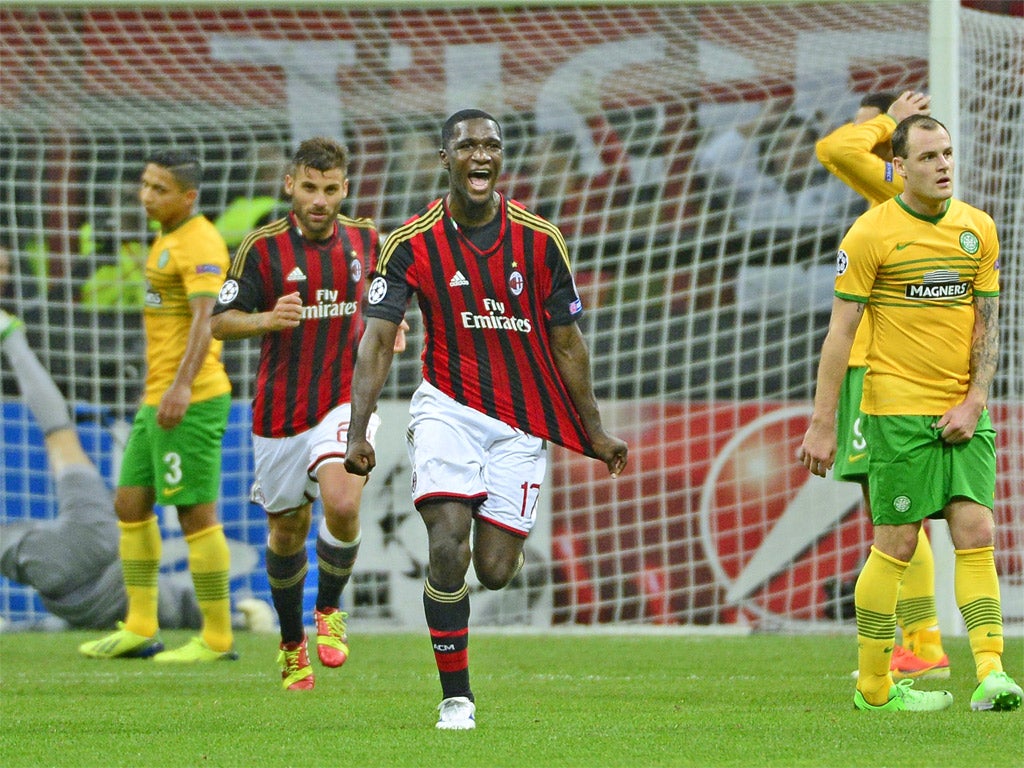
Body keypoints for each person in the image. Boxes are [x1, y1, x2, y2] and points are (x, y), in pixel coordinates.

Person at [343, 109, 628, 729]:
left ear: (501, 159)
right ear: (445, 159)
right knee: (448, 544)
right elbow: (376, 338)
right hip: (447, 408)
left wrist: (594, 429)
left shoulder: (540, 239)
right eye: (467, 145)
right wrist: (359, 428)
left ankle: (500, 548)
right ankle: (456, 697)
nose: (481, 155)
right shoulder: (409, 242)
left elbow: (568, 344)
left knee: (493, 573)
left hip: (522, 421)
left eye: (491, 146)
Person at [799, 114, 1022, 713]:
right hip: (895, 411)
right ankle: (875, 688)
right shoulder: (870, 234)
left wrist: (975, 400)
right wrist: (823, 423)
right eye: (928, 157)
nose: (943, 165)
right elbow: (839, 334)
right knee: (896, 541)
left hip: (963, 410)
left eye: (947, 153)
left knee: (977, 530)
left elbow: (988, 325)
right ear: (898, 169)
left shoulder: (979, 230)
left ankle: (991, 673)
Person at [210, 136, 407, 691]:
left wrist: (390, 328)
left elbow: (385, 302)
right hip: (279, 412)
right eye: (310, 187)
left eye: (331, 189)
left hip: (345, 399)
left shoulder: (369, 239)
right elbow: (219, 321)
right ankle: (292, 642)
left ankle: (329, 611)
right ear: (290, 185)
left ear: (345, 188)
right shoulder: (262, 248)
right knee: (286, 531)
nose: (320, 199)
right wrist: (267, 318)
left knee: (343, 501)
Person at [0, 310, 273, 633]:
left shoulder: (167, 605)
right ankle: (13, 339)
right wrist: (244, 624)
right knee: (60, 438)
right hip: (89, 560)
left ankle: (13, 339)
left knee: (60, 435)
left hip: (91, 542)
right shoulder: (165, 610)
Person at [77, 150, 238, 663]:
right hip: (157, 396)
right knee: (129, 504)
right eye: (144, 185)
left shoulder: (200, 242)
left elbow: (206, 318)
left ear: (187, 196)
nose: (146, 196)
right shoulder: (166, 237)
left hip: (191, 397)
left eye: (159, 188)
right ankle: (141, 625)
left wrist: (182, 387)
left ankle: (216, 636)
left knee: (194, 514)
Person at [815, 89, 952, 680]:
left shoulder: (899, 192)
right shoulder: (902, 204)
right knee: (888, 507)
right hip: (884, 367)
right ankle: (918, 644)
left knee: (895, 508)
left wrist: (881, 122)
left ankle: (922, 646)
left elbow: (833, 148)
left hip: (875, 368)